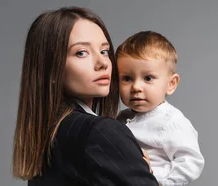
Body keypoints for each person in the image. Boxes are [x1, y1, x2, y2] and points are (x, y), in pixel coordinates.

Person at [11, 6, 159, 186]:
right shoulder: (101, 132)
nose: (102, 63)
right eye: (81, 53)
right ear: (50, 71)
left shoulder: (46, 136)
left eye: (104, 51)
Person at [115, 31, 205, 185]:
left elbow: (191, 161)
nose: (136, 87)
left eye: (148, 78)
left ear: (171, 84)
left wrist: (157, 180)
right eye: (127, 78)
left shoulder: (171, 121)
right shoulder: (120, 118)